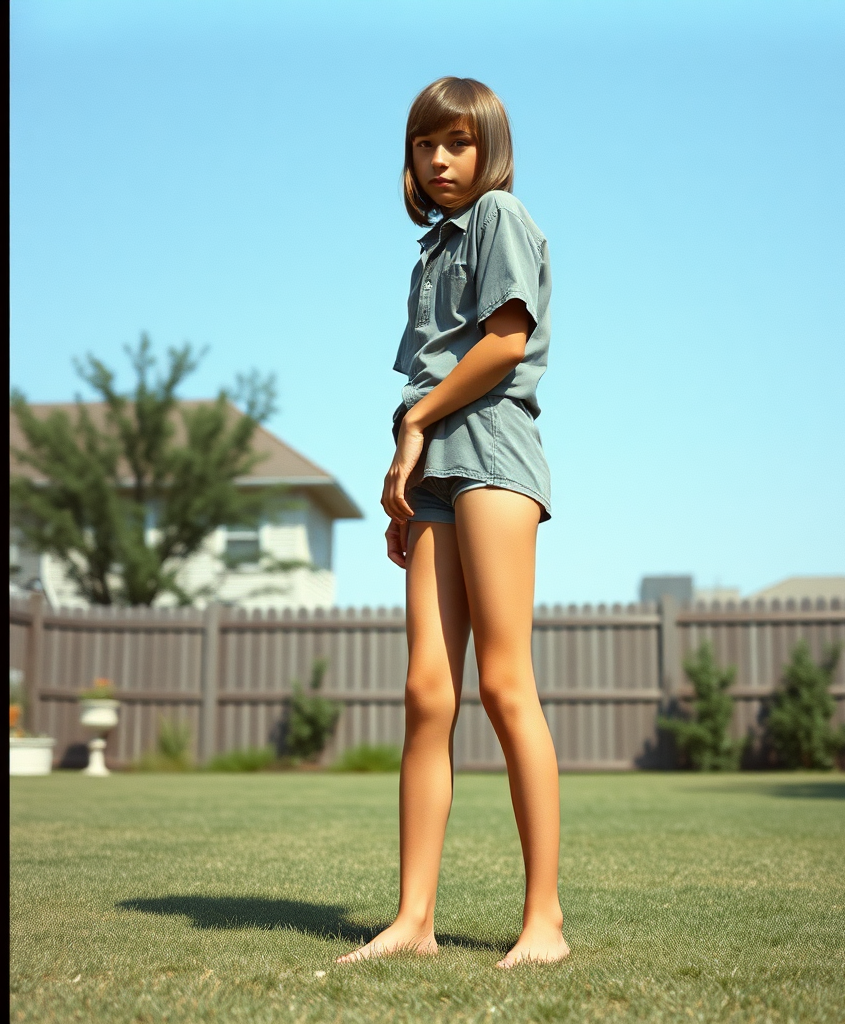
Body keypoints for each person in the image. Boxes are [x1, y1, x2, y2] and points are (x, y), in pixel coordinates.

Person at [336, 77, 569, 969]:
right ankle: (413, 920)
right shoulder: (432, 251)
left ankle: (542, 921)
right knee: (427, 691)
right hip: (431, 466)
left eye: (459, 144)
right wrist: (406, 457)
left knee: (507, 687)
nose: (441, 160)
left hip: (495, 453)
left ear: (489, 150)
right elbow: (423, 387)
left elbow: (505, 342)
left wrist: (419, 426)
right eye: (427, 144)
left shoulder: (502, 218)